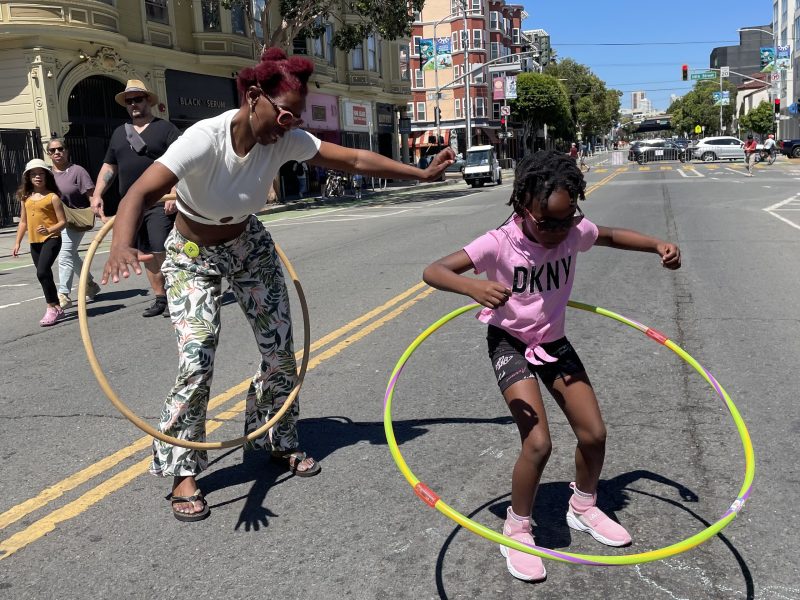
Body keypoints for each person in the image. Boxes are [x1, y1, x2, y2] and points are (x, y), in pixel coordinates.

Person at [101, 47, 454, 522]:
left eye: (297, 116)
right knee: (197, 355)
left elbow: (351, 159)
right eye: (284, 112)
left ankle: (277, 438)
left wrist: (420, 172)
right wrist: (122, 242)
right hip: (191, 253)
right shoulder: (204, 138)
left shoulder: (284, 139)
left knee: (279, 350)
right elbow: (141, 189)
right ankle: (183, 470)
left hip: (249, 244)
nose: (290, 123)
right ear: (253, 97)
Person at [422, 150, 681, 582]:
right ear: (523, 205)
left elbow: (611, 236)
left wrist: (657, 244)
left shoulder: (571, 231)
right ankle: (518, 526)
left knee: (594, 433)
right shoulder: (499, 242)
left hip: (552, 342)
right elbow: (433, 271)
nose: (560, 232)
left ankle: (583, 505)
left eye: (568, 220)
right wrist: (472, 287)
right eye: (548, 223)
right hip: (509, 342)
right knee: (538, 442)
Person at [91, 79, 181, 317]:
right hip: (131, 205)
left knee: (161, 247)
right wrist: (98, 193)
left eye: (138, 99)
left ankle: (176, 293)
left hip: (160, 200)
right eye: (129, 101)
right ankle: (161, 297)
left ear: (148, 101)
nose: (133, 104)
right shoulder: (120, 133)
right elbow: (109, 166)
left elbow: (183, 162)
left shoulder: (165, 129)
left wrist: (175, 192)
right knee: (146, 253)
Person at [46, 139, 102, 309]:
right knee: (71, 254)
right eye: (52, 150)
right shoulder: (47, 174)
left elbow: (92, 194)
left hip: (76, 218)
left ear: (66, 151)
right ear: (48, 154)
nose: (57, 152)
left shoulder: (77, 171)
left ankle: (63, 294)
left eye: (60, 149)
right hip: (57, 221)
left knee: (64, 254)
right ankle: (90, 284)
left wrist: (100, 212)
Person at [12, 159, 68, 326]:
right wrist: (17, 243)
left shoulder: (53, 197)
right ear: (28, 177)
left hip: (52, 239)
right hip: (34, 243)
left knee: (42, 272)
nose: (38, 177)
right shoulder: (26, 198)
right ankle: (57, 307)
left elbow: (63, 222)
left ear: (46, 176)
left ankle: (51, 307)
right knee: (45, 275)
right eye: (34, 174)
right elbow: (23, 222)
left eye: (41, 173)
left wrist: (50, 230)